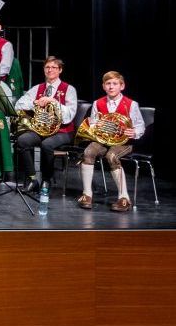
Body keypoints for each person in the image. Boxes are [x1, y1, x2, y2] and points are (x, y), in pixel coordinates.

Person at [77, 71, 146, 212]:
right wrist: (97, 128)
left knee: (112, 156)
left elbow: (140, 125)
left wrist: (134, 131)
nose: (111, 87)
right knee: (88, 152)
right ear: (103, 86)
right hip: (103, 140)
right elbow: (94, 124)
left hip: (124, 142)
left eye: (115, 84)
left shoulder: (131, 104)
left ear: (122, 86)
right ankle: (87, 194)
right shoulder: (98, 103)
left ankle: (124, 197)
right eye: (108, 84)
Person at [14, 56, 78, 191]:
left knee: (47, 144)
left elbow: (69, 116)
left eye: (54, 67)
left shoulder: (69, 89)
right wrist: (34, 103)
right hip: (41, 129)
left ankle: (46, 180)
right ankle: (32, 179)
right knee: (23, 140)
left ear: (60, 70)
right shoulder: (38, 88)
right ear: (44, 70)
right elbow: (19, 104)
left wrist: (52, 102)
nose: (50, 70)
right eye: (47, 67)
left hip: (63, 131)